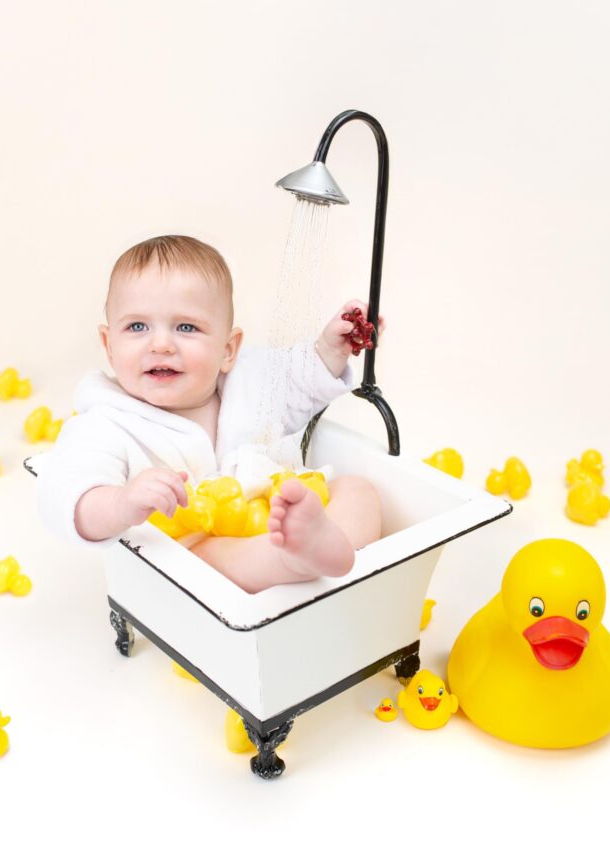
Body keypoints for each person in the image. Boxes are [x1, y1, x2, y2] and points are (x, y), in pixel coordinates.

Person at [37, 235, 382, 593]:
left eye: (186, 327)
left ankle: (324, 542)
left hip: (281, 508)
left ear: (227, 350)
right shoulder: (105, 423)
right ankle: (291, 559)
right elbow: (64, 493)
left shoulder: (249, 383)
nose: (161, 345)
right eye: (137, 327)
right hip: (203, 546)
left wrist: (331, 348)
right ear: (109, 346)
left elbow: (299, 382)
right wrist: (121, 502)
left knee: (359, 492)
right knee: (207, 558)